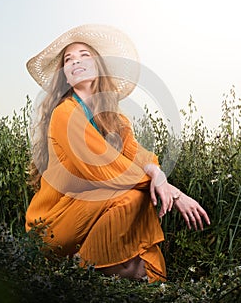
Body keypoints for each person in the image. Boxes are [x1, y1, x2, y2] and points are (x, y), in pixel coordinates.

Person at [25, 24, 210, 283]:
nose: (76, 61)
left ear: (99, 67)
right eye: (68, 60)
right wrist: (175, 195)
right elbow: (106, 168)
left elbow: (139, 156)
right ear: (66, 76)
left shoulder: (116, 120)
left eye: (84, 55)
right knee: (132, 198)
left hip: (92, 210)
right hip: (54, 223)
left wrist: (158, 175)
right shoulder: (64, 114)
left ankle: (108, 264)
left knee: (146, 248)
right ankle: (80, 267)